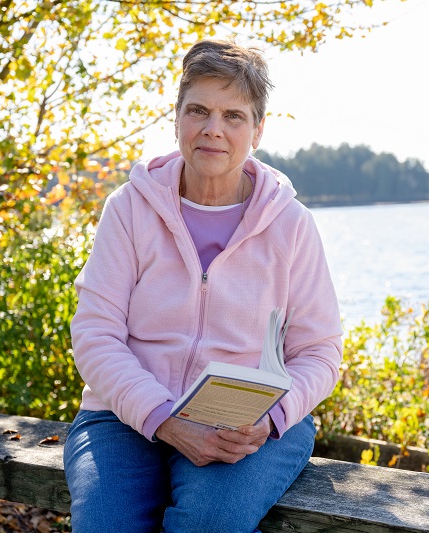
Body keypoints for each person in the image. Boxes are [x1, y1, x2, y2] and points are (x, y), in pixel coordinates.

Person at [63, 39, 343, 533]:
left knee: (209, 523)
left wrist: (274, 417)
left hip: (245, 424)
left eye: (234, 116)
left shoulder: (291, 225)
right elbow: (95, 334)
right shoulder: (129, 209)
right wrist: (163, 418)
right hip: (124, 414)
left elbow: (320, 351)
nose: (214, 129)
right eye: (199, 110)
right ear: (177, 119)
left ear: (258, 129)